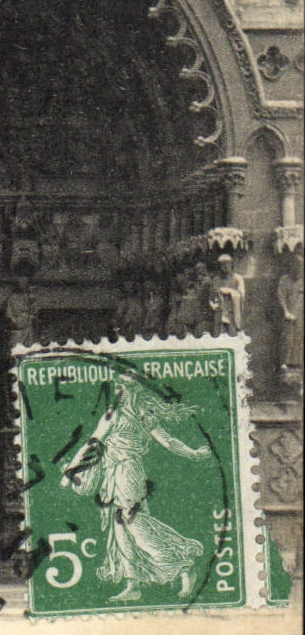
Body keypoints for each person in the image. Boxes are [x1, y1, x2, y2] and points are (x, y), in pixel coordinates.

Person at [61, 380, 211, 601]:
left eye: (122, 390)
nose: (118, 394)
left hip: (129, 472)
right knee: (120, 531)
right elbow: (92, 443)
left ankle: (181, 565)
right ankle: (133, 585)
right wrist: (71, 471)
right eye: (118, 390)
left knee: (134, 523)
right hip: (111, 475)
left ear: (132, 393)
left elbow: (168, 441)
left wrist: (194, 454)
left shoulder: (143, 416)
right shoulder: (112, 416)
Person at [213, 254, 244, 335]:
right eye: (223, 265)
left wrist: (230, 291)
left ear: (231, 265)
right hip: (220, 311)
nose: (226, 267)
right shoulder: (216, 279)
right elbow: (213, 294)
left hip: (232, 312)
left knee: (232, 334)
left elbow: (241, 295)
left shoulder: (238, 278)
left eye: (228, 264)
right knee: (218, 334)